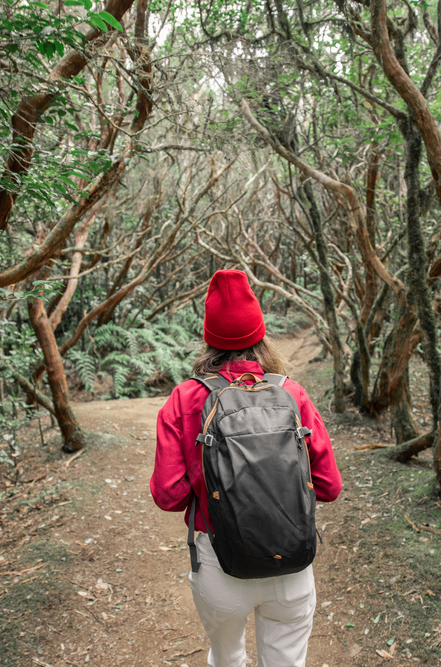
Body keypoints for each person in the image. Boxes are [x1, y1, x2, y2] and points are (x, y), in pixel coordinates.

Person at [150, 269, 343, 667]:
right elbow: (328, 485)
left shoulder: (184, 398)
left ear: (209, 339)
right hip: (290, 563)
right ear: (260, 334)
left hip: (220, 565)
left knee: (227, 658)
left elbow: (169, 495)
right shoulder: (291, 393)